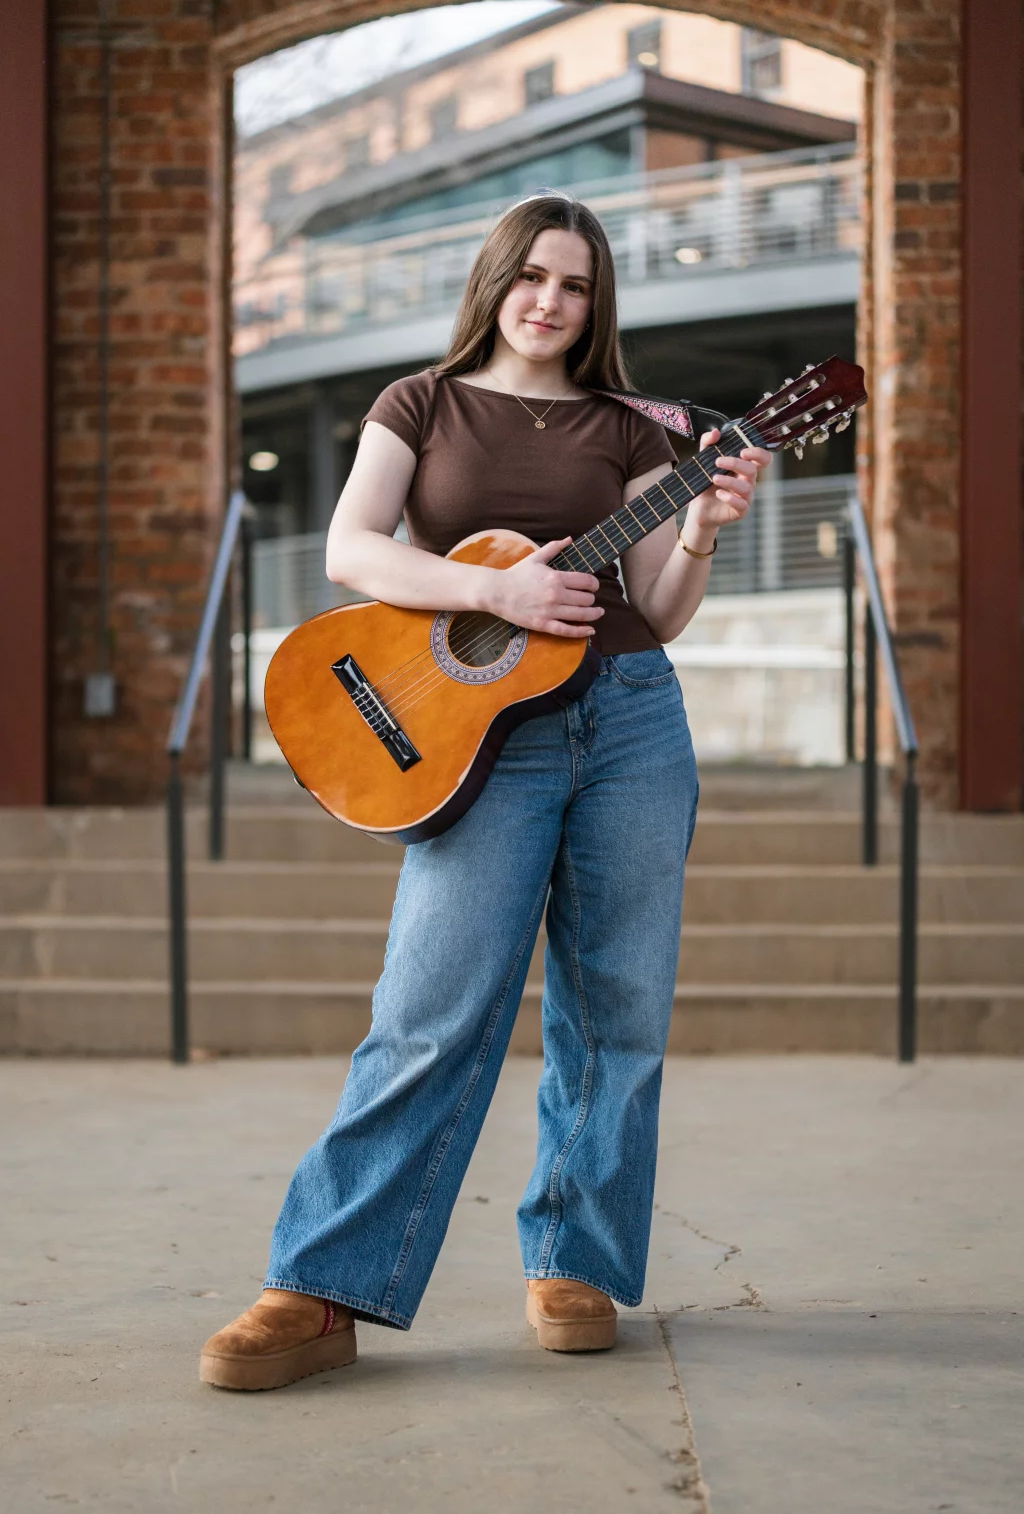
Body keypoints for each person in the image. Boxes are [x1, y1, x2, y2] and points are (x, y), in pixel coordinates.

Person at [200, 193, 768, 1391]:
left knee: (616, 1012)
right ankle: (320, 1285)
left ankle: (576, 1259)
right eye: (534, 277)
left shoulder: (629, 426)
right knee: (428, 1008)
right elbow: (351, 548)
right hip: (477, 738)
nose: (551, 302)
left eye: (576, 285)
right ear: (497, 278)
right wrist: (503, 598)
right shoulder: (421, 403)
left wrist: (707, 525)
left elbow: (654, 611)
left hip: (628, 723)